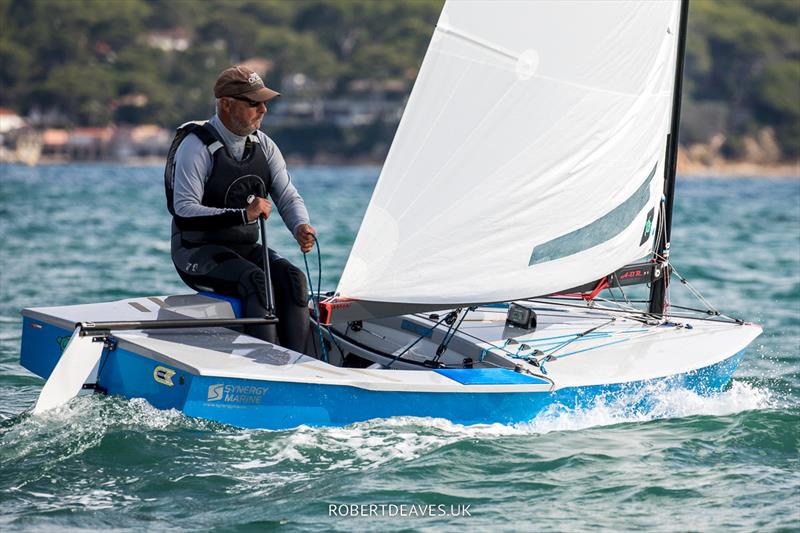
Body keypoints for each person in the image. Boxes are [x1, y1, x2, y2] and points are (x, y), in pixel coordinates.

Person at [164, 65, 316, 352]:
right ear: (226, 105)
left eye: (265, 102)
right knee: (257, 282)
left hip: (241, 250)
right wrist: (244, 215)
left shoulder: (265, 146)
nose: (263, 110)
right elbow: (183, 210)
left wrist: (300, 226)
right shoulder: (195, 147)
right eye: (253, 103)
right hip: (195, 251)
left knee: (294, 280)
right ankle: (265, 366)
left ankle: (303, 364)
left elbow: (287, 195)